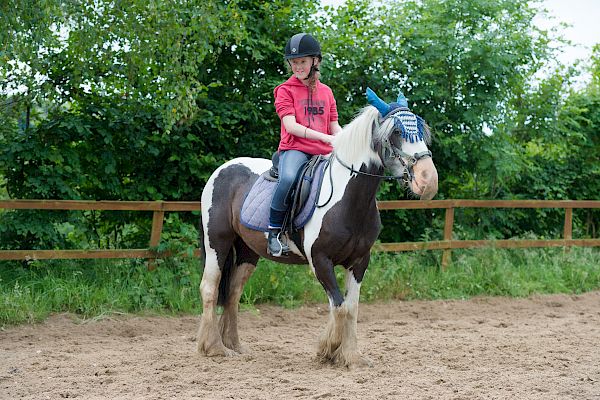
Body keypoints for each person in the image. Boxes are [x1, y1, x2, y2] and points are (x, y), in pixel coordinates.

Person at [268, 32, 342, 257]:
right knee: (288, 179)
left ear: (315, 61)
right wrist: (325, 138)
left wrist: (344, 138)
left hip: (325, 151)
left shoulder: (327, 92)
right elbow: (290, 126)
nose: (297, 66)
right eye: (294, 62)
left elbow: (334, 126)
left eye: (302, 61)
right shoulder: (284, 90)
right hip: (295, 149)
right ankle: (274, 231)